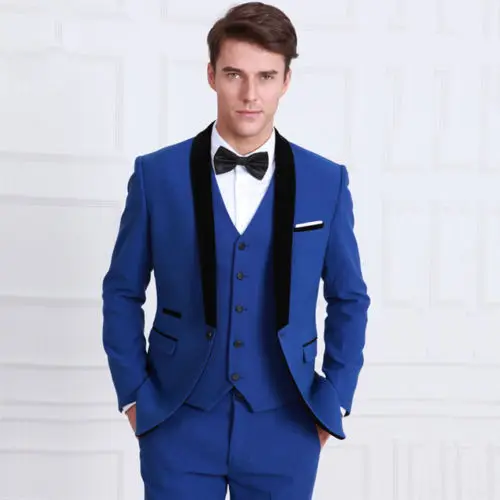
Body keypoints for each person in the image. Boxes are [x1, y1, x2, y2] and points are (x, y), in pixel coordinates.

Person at [102, 2, 370, 499]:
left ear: (286, 81)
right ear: (211, 76)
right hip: (177, 419)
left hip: (287, 422)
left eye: (266, 76)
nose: (250, 94)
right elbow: (121, 291)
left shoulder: (325, 182)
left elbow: (349, 298)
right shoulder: (156, 176)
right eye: (234, 75)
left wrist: (333, 401)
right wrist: (135, 397)